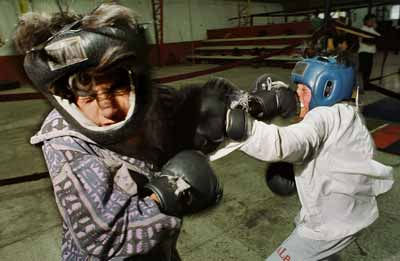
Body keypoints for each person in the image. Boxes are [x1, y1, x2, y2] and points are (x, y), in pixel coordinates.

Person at [15, 3, 222, 260]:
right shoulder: (65, 141)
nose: (108, 110)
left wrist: (224, 112)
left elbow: (184, 110)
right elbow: (105, 237)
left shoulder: (148, 101)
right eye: (89, 98)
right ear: (67, 99)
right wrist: (168, 195)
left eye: (116, 90)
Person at [194, 56, 394, 260]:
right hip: (354, 211)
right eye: (296, 88)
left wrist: (242, 127)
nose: (297, 95)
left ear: (327, 90)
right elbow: (333, 154)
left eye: (304, 90)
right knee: (322, 251)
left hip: (328, 226)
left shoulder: (324, 116)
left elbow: (286, 143)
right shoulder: (349, 115)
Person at [358, 14, 380, 92]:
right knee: (364, 70)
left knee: (368, 70)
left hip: (370, 52)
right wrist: (374, 40)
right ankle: (360, 87)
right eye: (371, 21)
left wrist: (375, 29)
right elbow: (367, 40)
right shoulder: (363, 29)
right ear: (366, 21)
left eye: (374, 21)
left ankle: (366, 85)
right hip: (364, 52)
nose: (373, 22)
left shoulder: (372, 29)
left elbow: (379, 37)